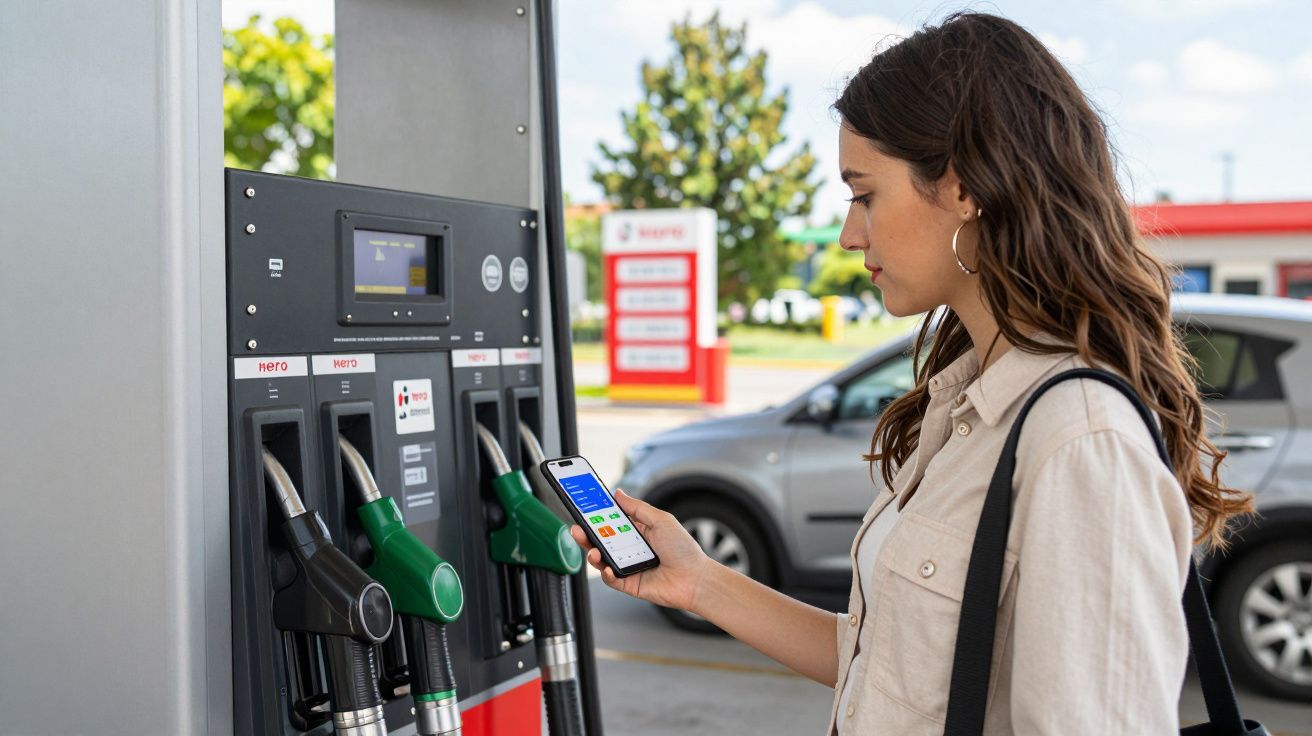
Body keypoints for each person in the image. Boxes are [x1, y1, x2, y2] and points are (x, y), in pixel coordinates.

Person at [570, 11, 1252, 734]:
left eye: (864, 194)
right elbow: (893, 664)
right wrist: (701, 582)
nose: (847, 233)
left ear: (962, 188)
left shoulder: (1078, 440)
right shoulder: (972, 400)